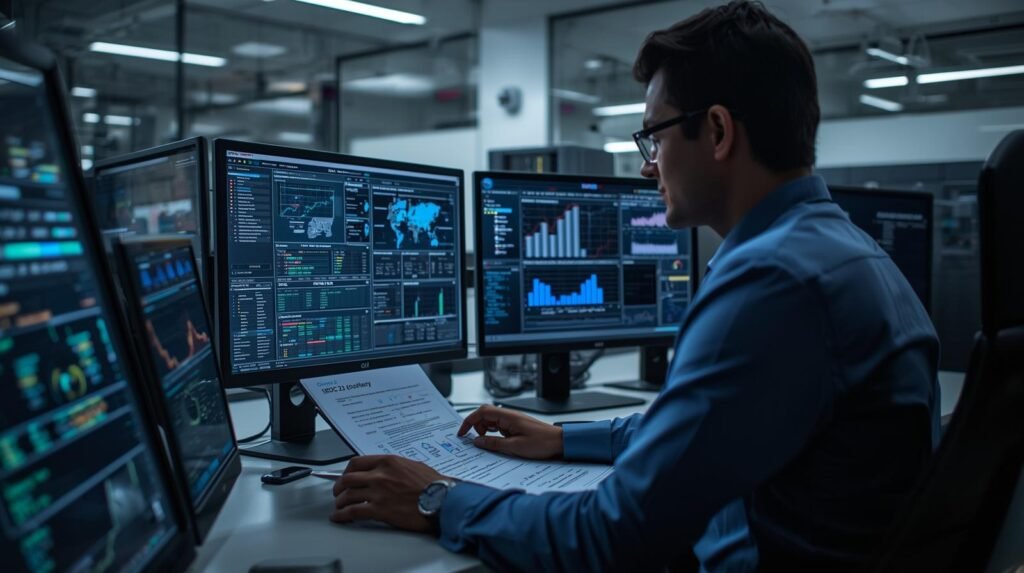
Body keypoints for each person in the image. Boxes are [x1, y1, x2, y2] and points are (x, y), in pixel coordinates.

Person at [329, 2, 940, 570]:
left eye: (655, 136)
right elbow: (704, 431)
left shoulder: (772, 284)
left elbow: (613, 535)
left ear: (720, 132)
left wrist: (438, 500)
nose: (648, 165)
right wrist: (565, 439)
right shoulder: (842, 252)